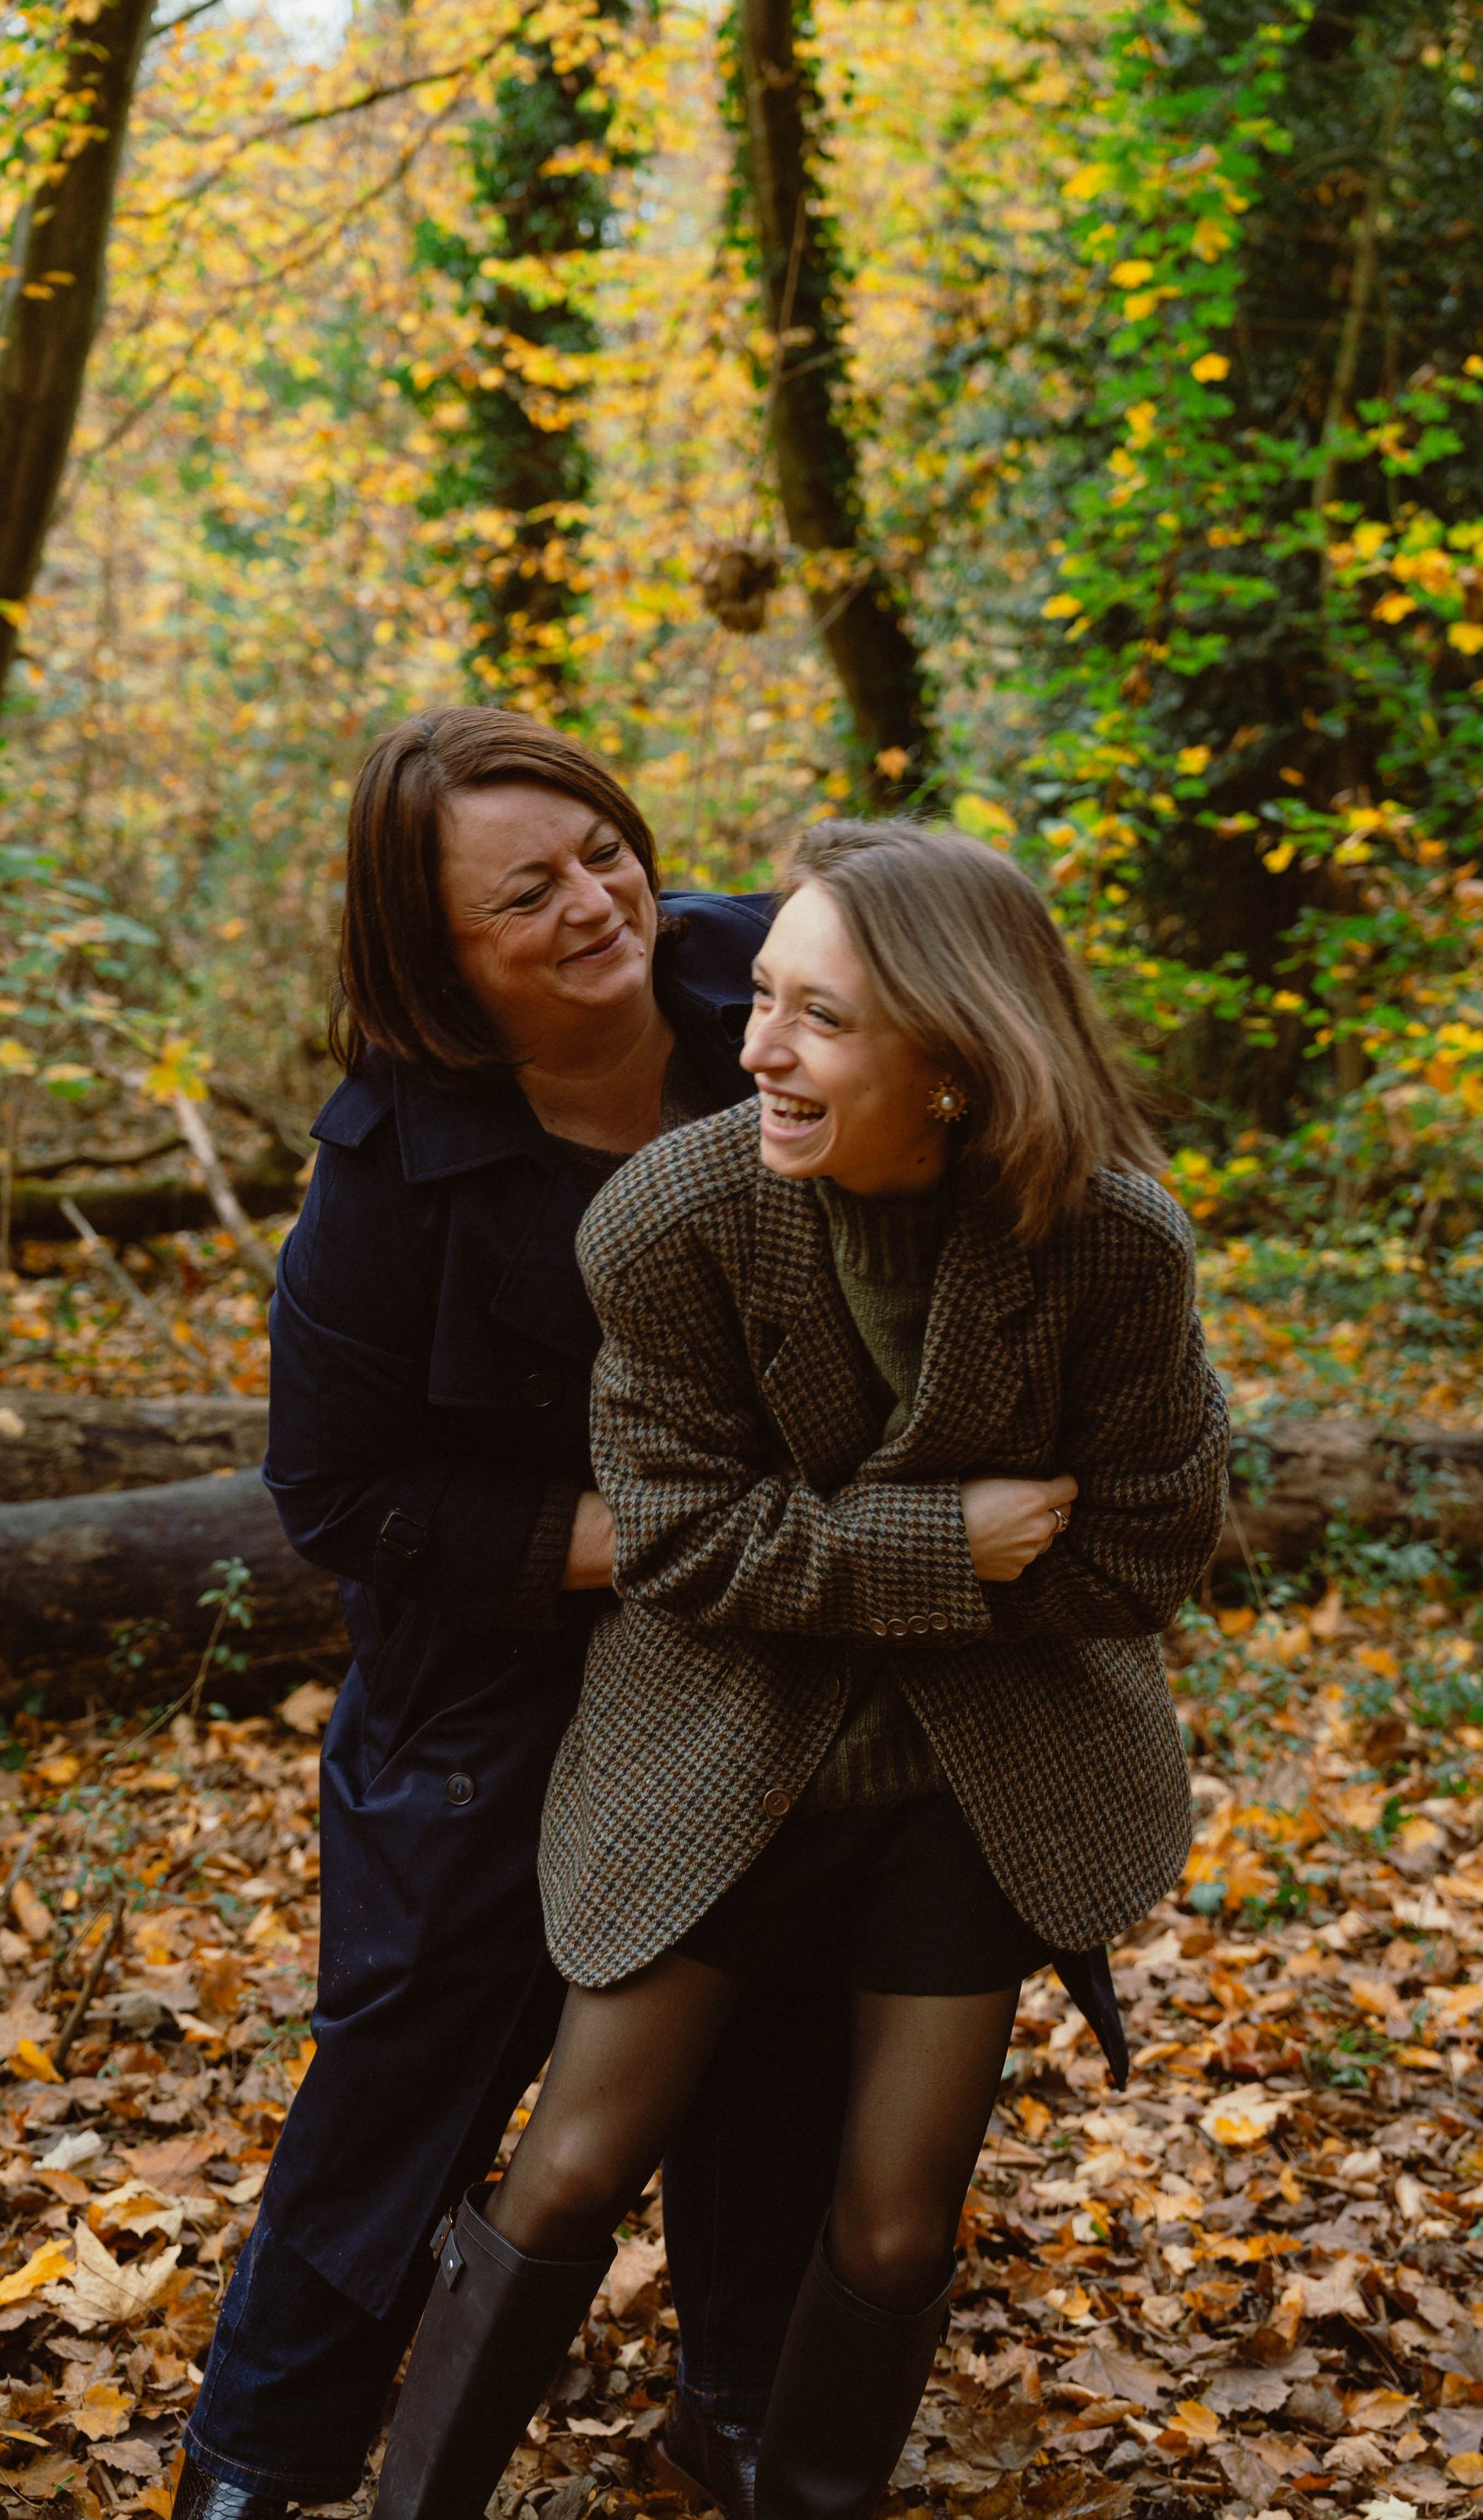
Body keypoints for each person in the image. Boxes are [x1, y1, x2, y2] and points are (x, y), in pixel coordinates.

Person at [368, 817, 1231, 2520]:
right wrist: (948, 1545)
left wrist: (826, 1556)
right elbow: (680, 1545)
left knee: (901, 2217)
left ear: (963, 1063)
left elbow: (1148, 1548)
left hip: (973, 1788)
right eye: (763, 997)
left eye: (819, 1018)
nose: (753, 1046)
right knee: (573, 2169)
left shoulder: (1113, 1245)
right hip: (716, 1756)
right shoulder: (671, 1223)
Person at [175, 709, 852, 2520]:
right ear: (437, 959)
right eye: (523, 895)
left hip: (773, 1654)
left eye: (601, 851)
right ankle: (264, 2451)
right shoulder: (390, 1171)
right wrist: (666, 1538)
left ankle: (744, 2403)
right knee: (410, 2061)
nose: (592, 903)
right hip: (489, 1691)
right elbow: (337, 1495)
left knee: (777, 2027)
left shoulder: (776, 982)